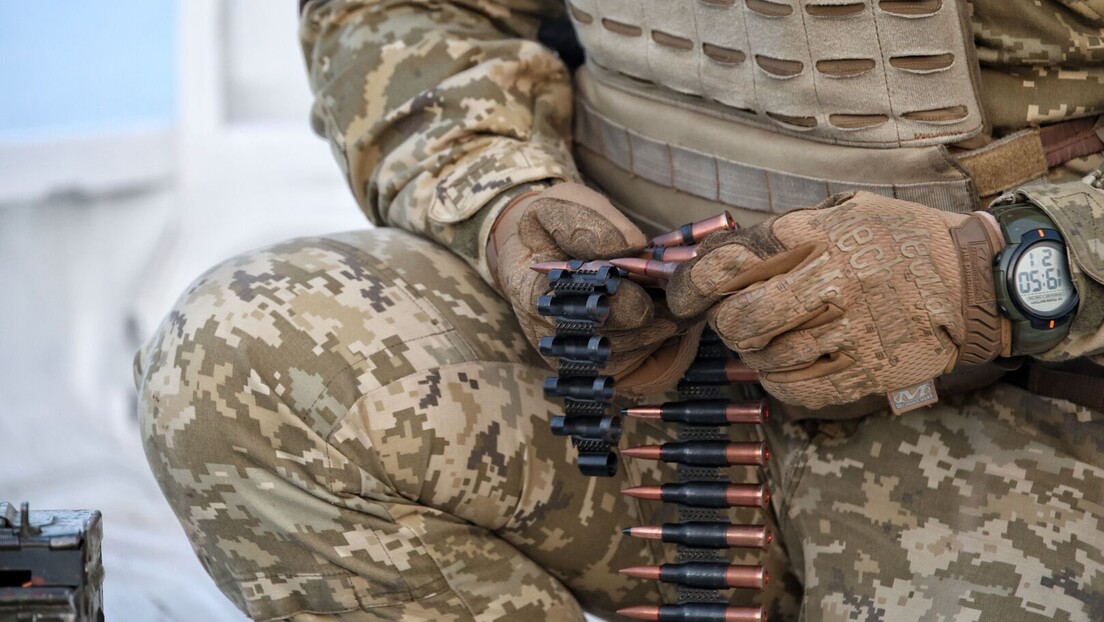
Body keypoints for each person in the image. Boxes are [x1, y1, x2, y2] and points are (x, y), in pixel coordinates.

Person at [134, 0, 1104, 619]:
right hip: (640, 383)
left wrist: (1005, 271)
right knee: (246, 367)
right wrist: (506, 197)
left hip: (1039, 420)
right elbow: (403, 12)